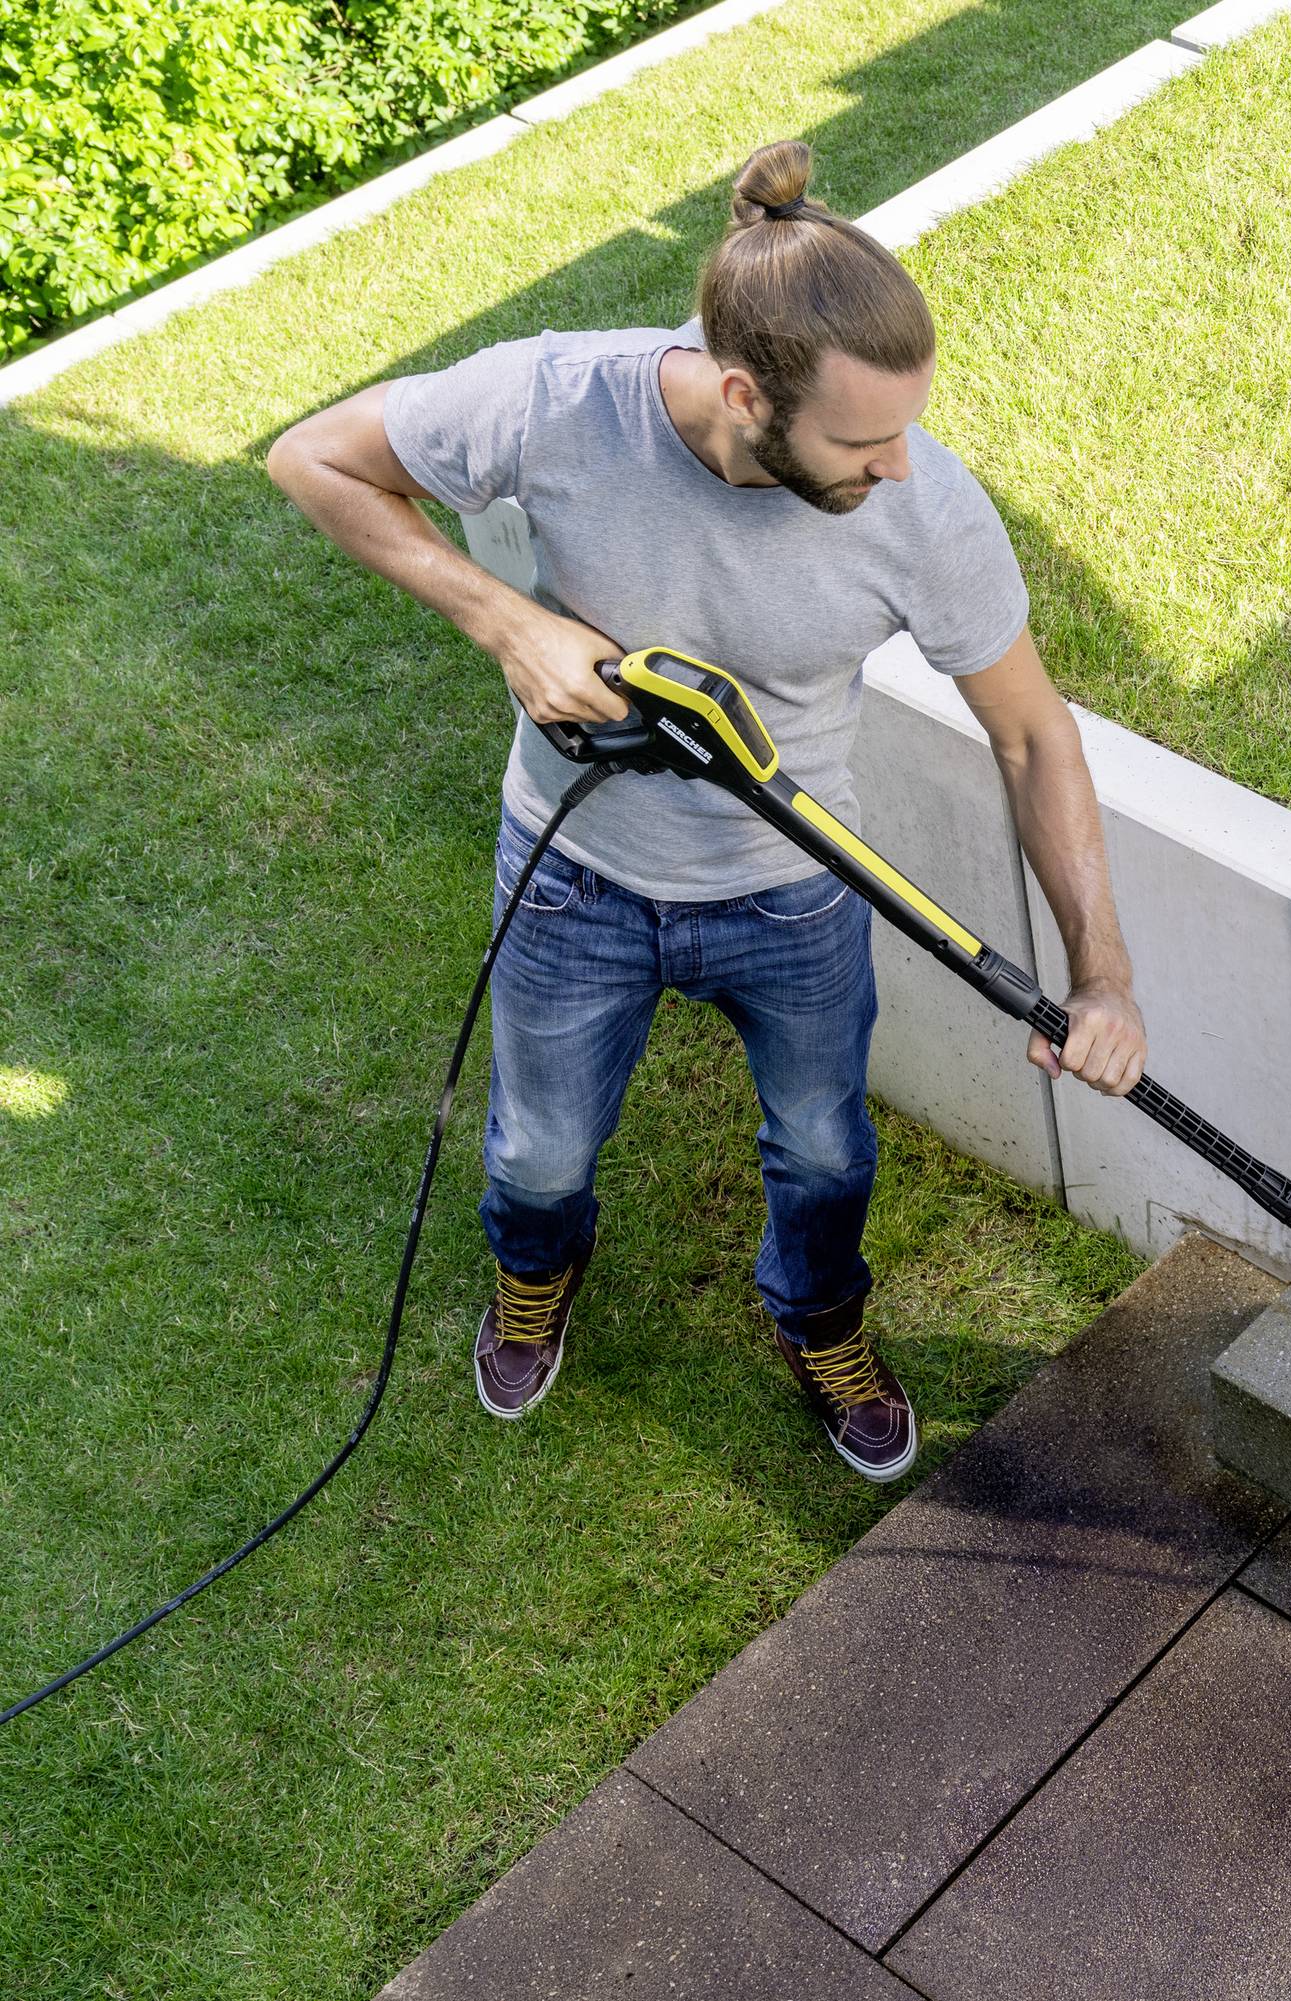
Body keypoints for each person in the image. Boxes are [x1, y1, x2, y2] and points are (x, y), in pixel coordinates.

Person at [265, 139, 1146, 1481]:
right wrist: (507, 621)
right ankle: (536, 1272)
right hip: (574, 873)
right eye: (861, 439)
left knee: (824, 1147)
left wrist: (1105, 974)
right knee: (540, 1149)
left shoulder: (926, 508)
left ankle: (818, 1318)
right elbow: (312, 457)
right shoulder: (556, 400)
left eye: (905, 427)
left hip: (794, 884)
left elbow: (1032, 737)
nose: (898, 466)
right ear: (745, 396)